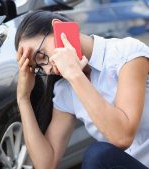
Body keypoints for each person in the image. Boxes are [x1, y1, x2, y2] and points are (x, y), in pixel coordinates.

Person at [15, 10, 149, 169]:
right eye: (38, 68)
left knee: (97, 155)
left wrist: (74, 73)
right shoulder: (65, 89)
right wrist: (23, 99)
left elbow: (122, 137)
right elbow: (46, 164)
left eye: (42, 56)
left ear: (60, 29)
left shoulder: (126, 54)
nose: (47, 70)